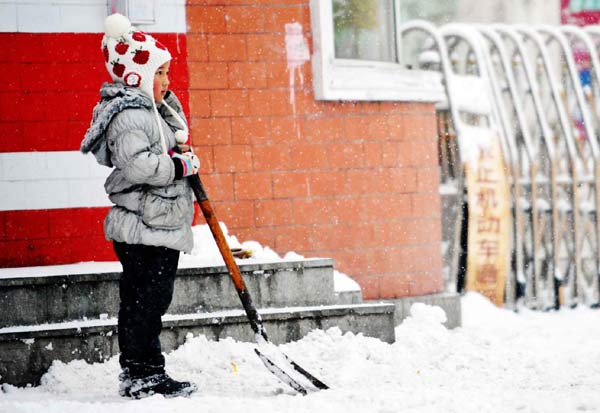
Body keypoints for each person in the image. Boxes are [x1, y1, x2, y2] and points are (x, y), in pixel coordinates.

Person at [81, 13, 199, 399]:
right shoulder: (130, 114)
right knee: (143, 301)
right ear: (137, 75)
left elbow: (160, 149)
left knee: (151, 299)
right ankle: (142, 374)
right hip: (141, 227)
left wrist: (179, 148)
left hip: (158, 223)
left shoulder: (155, 109)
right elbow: (139, 165)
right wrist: (180, 164)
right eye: (160, 73)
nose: (167, 80)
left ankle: (144, 370)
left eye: (167, 72)